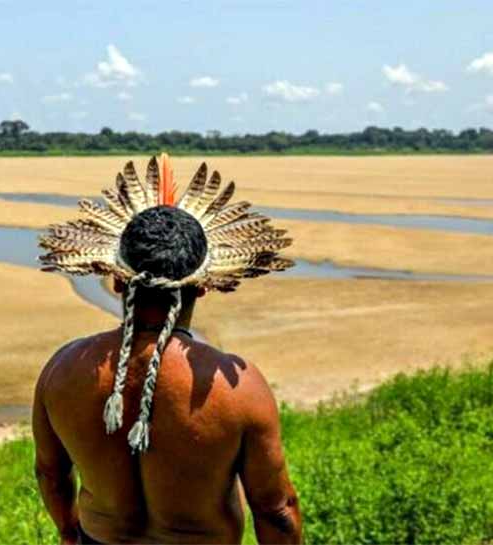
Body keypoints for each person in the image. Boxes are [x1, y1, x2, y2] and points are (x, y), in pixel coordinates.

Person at [34, 155, 302, 544]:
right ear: (205, 284)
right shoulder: (240, 389)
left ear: (117, 281)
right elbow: (277, 511)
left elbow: (51, 475)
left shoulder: (62, 370)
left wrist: (68, 532)